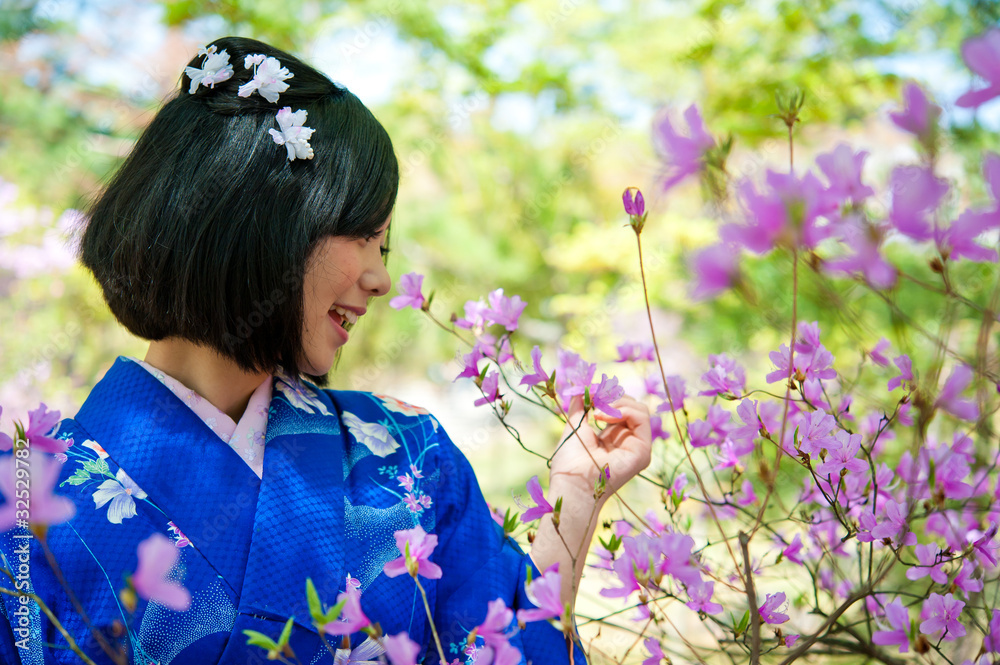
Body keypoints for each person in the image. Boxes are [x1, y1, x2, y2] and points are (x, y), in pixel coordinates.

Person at [0, 36, 652, 665]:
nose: (381, 278)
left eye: (384, 247)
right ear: (259, 217)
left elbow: (511, 649)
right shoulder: (21, 502)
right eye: (362, 235)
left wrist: (577, 490)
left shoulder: (410, 455)